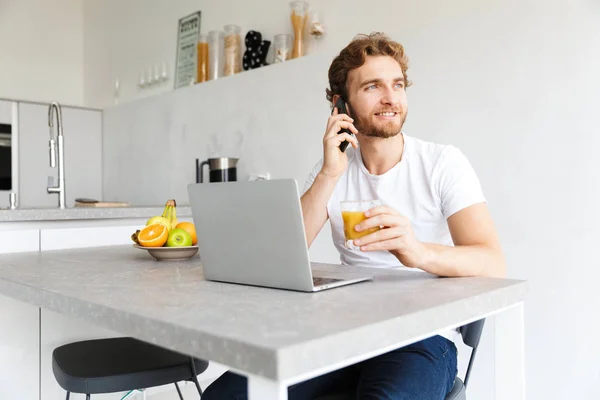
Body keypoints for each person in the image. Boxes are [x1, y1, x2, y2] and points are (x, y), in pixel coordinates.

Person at [203, 32, 506, 400]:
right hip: (341, 332)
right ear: (341, 104)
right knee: (228, 396)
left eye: (397, 85)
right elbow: (284, 256)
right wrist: (330, 173)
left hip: (421, 337)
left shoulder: (442, 164)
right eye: (373, 86)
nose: (390, 97)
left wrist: (417, 251)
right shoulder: (332, 169)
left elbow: (492, 261)